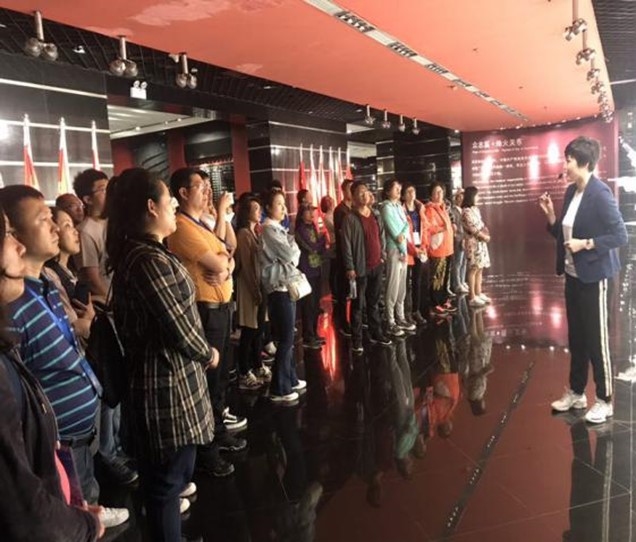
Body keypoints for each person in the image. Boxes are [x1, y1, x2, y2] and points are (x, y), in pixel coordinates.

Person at [1, 185, 128, 529]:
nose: (57, 227)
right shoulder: (11, 308)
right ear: (13, 234)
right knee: (70, 518)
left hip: (80, 437)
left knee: (86, 506)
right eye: (44, 219)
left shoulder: (44, 286)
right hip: (58, 447)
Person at [107, 168, 219, 542]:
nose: (173, 204)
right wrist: (208, 352)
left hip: (171, 383)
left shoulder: (147, 252)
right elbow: (179, 327)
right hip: (164, 390)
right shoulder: (146, 260)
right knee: (165, 487)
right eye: (169, 198)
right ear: (151, 207)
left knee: (169, 481)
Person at [540, 136, 627, 424]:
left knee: (597, 339)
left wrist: (586, 244)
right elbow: (564, 235)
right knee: (577, 337)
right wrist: (551, 217)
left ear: (585, 163)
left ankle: (605, 399)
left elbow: (619, 235)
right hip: (574, 277)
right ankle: (577, 392)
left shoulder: (600, 194)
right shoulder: (570, 192)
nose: (564, 166)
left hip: (595, 278)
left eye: (569, 160)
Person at [167, 168, 246, 475]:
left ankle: (217, 430)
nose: (206, 191)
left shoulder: (202, 223)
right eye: (199, 186)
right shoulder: (181, 227)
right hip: (205, 310)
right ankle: (207, 449)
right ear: (183, 193)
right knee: (208, 379)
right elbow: (218, 260)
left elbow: (230, 253)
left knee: (221, 376)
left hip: (221, 307)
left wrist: (226, 265)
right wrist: (225, 263)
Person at [260, 189, 306, 404]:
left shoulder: (278, 229)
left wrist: (292, 249)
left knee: (288, 337)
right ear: (268, 207)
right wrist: (292, 248)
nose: (283, 208)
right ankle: (279, 388)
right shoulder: (269, 229)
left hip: (286, 286)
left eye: (283, 203)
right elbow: (290, 254)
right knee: (286, 338)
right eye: (278, 204)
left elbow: (293, 253)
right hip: (278, 288)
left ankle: (290, 379)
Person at [342, 181, 392, 353]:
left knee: (374, 302)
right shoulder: (349, 219)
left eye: (366, 191)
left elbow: (381, 235)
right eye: (360, 193)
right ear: (353, 196)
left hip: (376, 265)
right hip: (360, 268)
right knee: (358, 305)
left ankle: (376, 333)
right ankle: (357, 340)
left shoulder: (375, 214)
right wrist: (350, 267)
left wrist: (383, 254)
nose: (364, 195)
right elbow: (346, 245)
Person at [235, 195, 272, 390]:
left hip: (259, 285)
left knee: (259, 329)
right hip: (249, 287)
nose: (259, 212)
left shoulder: (254, 232)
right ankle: (244, 370)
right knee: (249, 330)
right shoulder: (243, 234)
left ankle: (258, 364)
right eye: (256, 209)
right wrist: (256, 290)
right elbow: (247, 267)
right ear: (247, 212)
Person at [44, 207, 95, 344]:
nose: (75, 231)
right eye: (67, 225)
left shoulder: (69, 271)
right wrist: (87, 321)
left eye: (73, 225)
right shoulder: (50, 276)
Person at [380, 179, 415, 336]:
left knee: (402, 287)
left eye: (399, 188)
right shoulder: (386, 208)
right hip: (394, 251)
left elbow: (407, 225)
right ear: (388, 191)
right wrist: (402, 249)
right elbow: (396, 233)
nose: (399, 191)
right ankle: (390, 320)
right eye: (396, 188)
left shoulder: (399, 207)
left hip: (403, 250)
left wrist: (404, 246)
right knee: (392, 286)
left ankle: (400, 317)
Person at [73, 169, 110, 299]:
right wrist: (113, 304)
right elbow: (92, 280)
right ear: (88, 199)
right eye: (104, 190)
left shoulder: (113, 222)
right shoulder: (85, 231)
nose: (110, 194)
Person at [295, 203, 327, 350]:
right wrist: (322, 239)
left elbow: (319, 249)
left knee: (315, 304)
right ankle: (308, 336)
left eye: (312, 211)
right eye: (308, 211)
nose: (311, 214)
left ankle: (314, 333)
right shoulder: (300, 230)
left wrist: (321, 242)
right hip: (307, 270)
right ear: (302, 214)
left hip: (317, 268)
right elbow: (312, 248)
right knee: (308, 305)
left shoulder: (313, 227)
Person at [425, 182, 456, 317]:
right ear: (431, 194)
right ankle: (435, 303)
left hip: (447, 247)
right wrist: (442, 228)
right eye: (436, 192)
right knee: (437, 277)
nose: (439, 194)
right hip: (438, 249)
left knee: (445, 277)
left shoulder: (443, 207)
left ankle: (443, 300)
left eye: (441, 192)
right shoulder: (430, 209)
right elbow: (429, 228)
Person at [402, 183, 429, 326]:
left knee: (417, 280)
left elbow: (426, 228)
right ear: (403, 195)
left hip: (420, 247)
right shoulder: (401, 210)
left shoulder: (420, 208)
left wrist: (423, 246)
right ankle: (406, 312)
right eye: (408, 191)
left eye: (413, 191)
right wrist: (413, 250)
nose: (411, 194)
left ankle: (416, 310)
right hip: (407, 249)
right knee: (406, 282)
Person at [461, 187, 491, 308]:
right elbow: (473, 228)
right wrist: (484, 236)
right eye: (476, 196)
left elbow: (481, 225)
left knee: (480, 268)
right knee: (473, 269)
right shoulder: (466, 211)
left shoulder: (475, 209)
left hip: (481, 243)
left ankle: (478, 293)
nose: (478, 198)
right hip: (473, 244)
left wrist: (485, 233)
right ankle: (472, 296)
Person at [333, 179, 353, 336]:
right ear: (344, 191)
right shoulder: (340, 210)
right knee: (343, 291)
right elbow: (343, 235)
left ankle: (355, 319)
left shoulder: (355, 209)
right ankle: (342, 322)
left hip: (355, 254)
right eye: (349, 189)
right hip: (344, 255)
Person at [449, 189, 469, 294]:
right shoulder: (452, 210)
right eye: (459, 197)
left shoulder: (464, 210)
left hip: (465, 238)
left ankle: (462, 281)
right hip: (458, 239)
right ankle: (456, 284)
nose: (461, 200)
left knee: (464, 261)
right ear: (455, 199)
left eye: (462, 198)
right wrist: (457, 237)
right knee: (457, 262)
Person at [320, 195, 336, 297]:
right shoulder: (327, 217)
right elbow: (334, 228)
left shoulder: (334, 212)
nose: (331, 202)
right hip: (334, 242)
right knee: (334, 267)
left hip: (337, 241)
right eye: (328, 201)